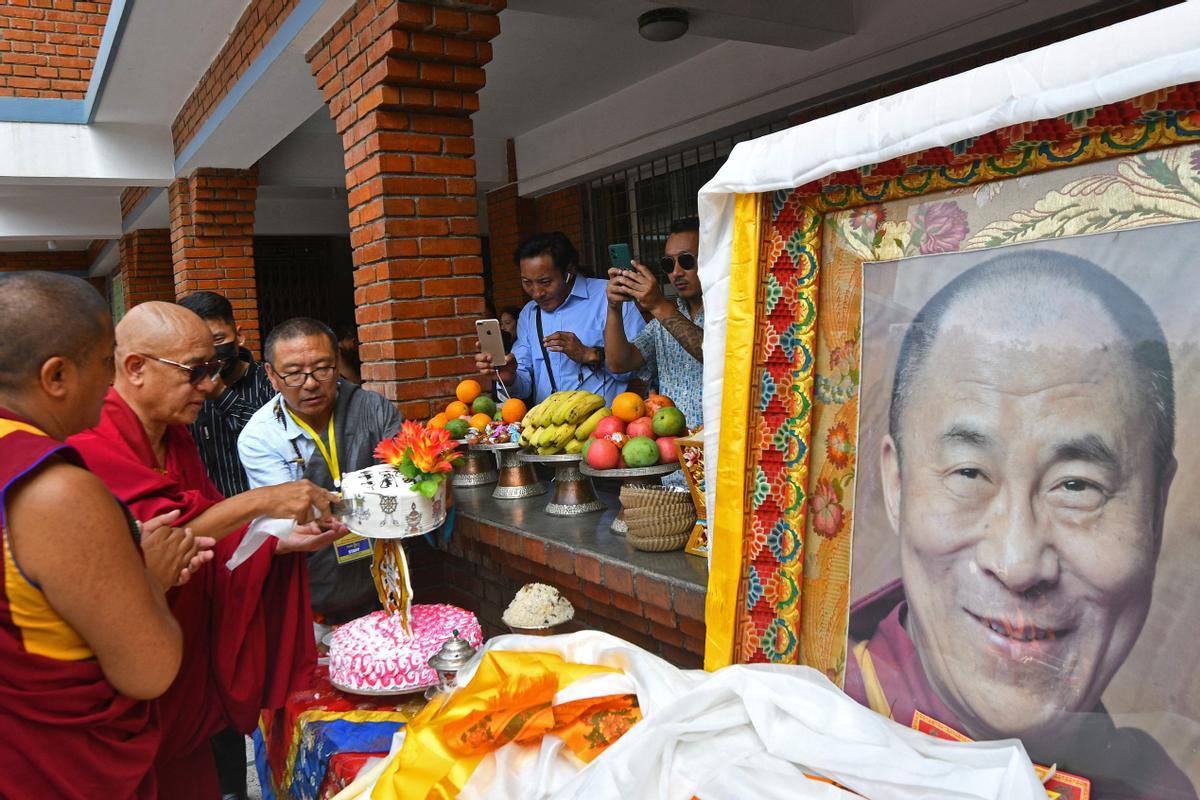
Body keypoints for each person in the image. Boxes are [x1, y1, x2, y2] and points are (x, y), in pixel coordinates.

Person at [845, 250, 1195, 799]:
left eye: (1077, 485)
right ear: (896, 484)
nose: (1016, 562)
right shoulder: (797, 732)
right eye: (968, 473)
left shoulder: (1151, 788)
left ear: (1156, 506)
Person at [68, 301, 344, 799]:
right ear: (135, 368)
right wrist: (263, 501)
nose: (210, 385)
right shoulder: (92, 440)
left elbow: (210, 528)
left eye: (216, 367)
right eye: (196, 371)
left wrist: (274, 543)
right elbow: (169, 536)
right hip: (134, 666)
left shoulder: (175, 436)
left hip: (186, 656)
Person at [0, 273, 205, 799]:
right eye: (104, 363)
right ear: (56, 375)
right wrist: (150, 580)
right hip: (51, 772)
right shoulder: (53, 488)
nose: (112, 383)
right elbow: (149, 671)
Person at [238, 317, 404, 624]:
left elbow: (403, 481)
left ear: (338, 363)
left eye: (322, 369)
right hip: (313, 585)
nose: (311, 383)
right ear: (271, 376)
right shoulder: (260, 436)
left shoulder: (372, 408)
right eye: (293, 374)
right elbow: (289, 518)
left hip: (386, 575)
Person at [475, 232, 646, 405]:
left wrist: (590, 354)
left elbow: (639, 369)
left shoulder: (610, 298)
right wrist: (509, 377)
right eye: (527, 282)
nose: (537, 293)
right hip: (548, 428)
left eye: (545, 282)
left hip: (603, 426)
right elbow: (524, 386)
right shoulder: (529, 314)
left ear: (569, 270)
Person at [604, 216, 705, 433]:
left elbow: (714, 353)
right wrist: (614, 307)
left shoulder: (733, 309)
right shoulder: (664, 320)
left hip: (722, 447)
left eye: (686, 261)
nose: (676, 272)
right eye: (668, 264)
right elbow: (619, 363)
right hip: (672, 453)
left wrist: (658, 305)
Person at [178, 291, 276, 501]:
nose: (210, 353)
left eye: (218, 339)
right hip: (213, 521)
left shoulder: (269, 381)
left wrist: (222, 395)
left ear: (239, 336)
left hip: (270, 515)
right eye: (198, 345)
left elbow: (277, 440)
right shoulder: (182, 392)